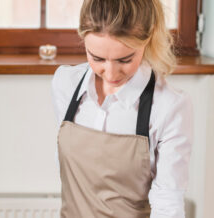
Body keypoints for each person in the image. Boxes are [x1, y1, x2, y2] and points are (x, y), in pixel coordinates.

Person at [51, 0, 193, 217]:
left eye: (125, 59)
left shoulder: (169, 106)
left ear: (148, 39)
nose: (110, 74)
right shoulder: (66, 84)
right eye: (97, 58)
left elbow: (168, 203)